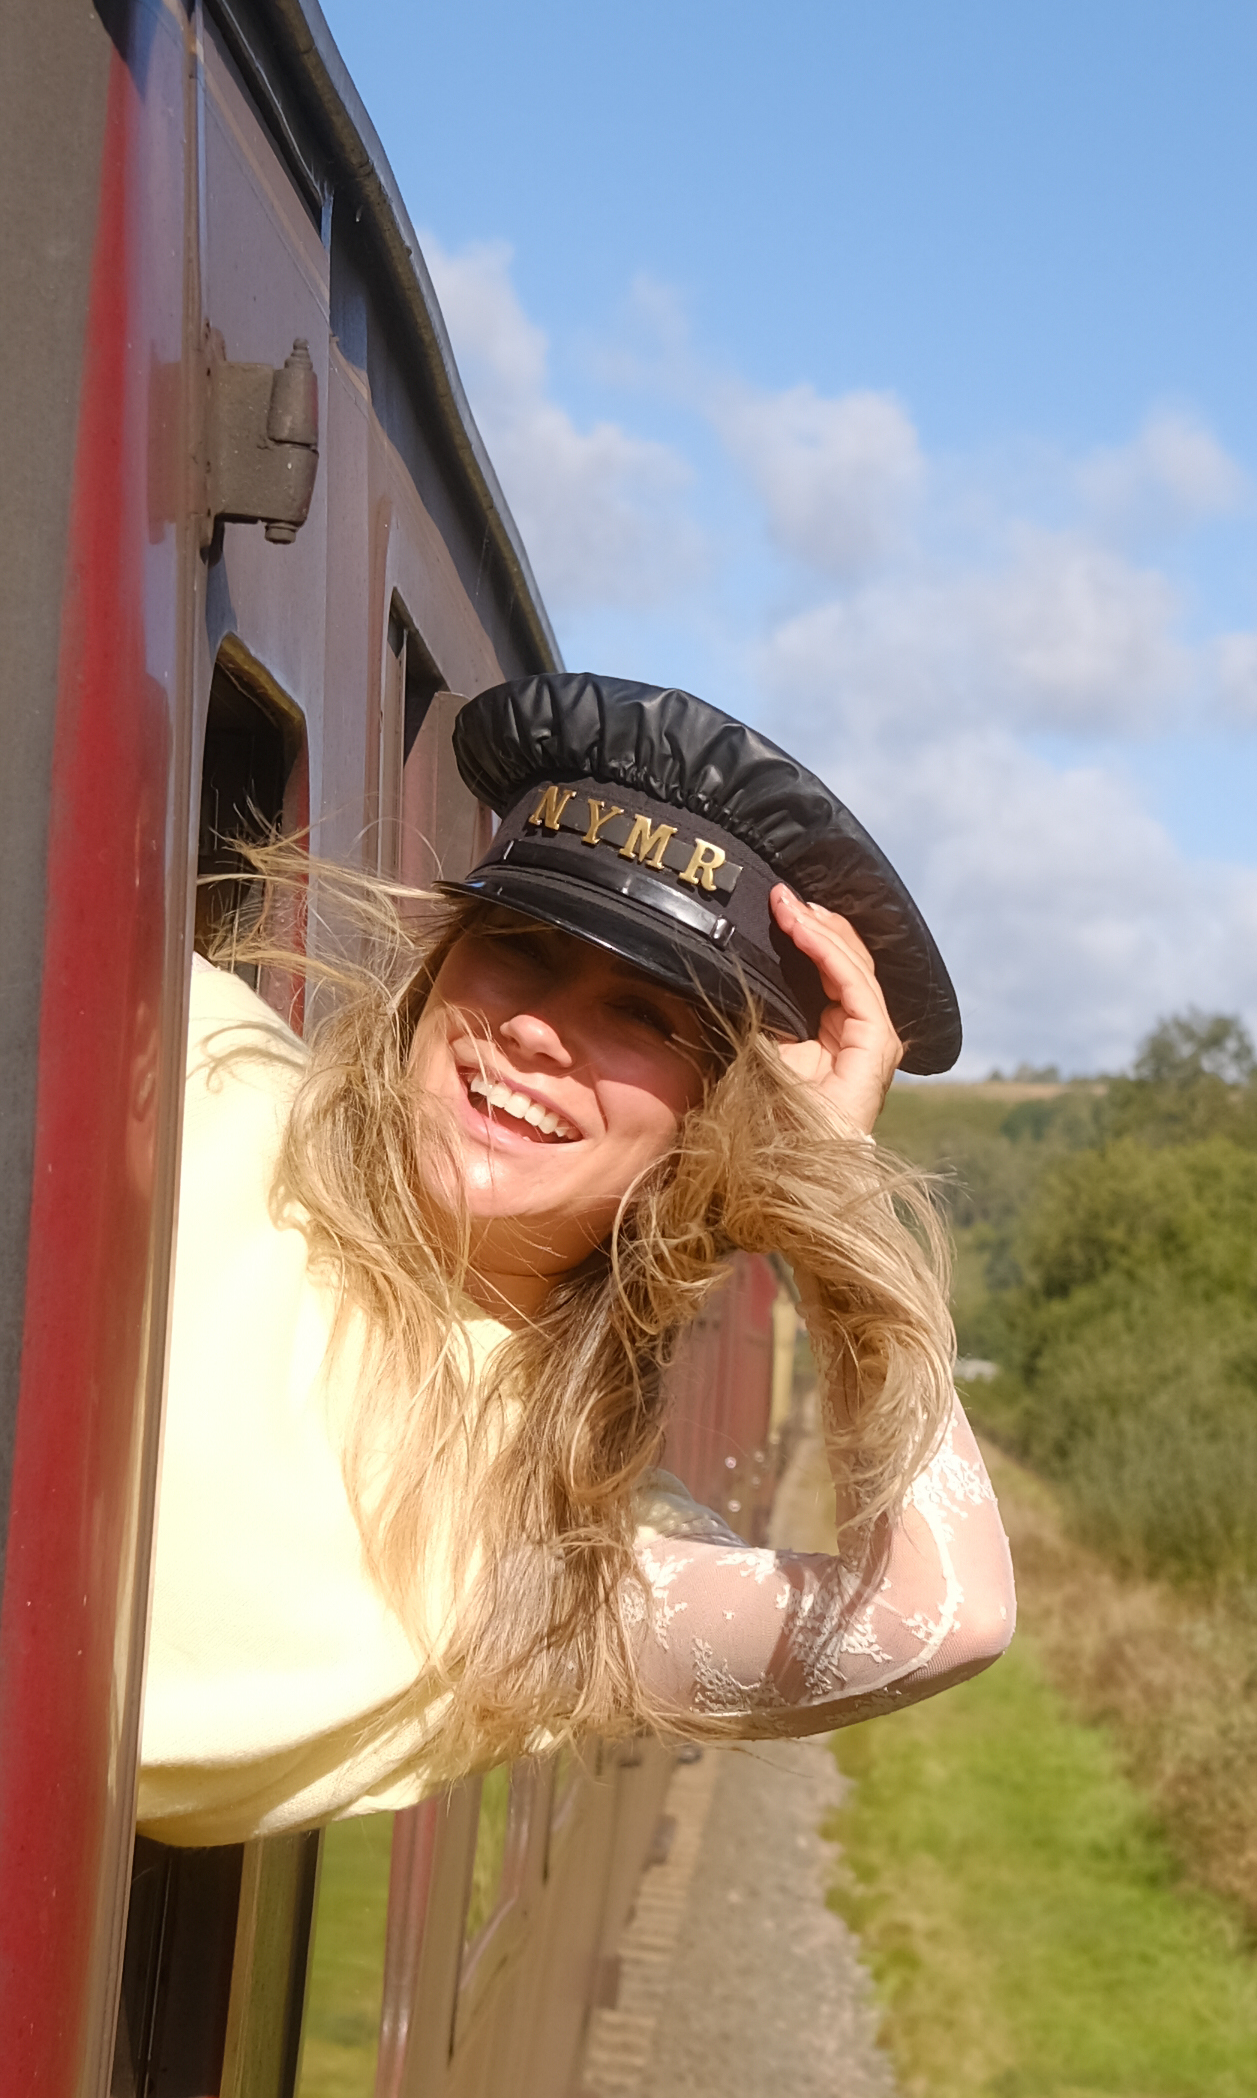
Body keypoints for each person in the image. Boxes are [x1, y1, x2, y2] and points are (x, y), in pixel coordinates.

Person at [135, 677, 1016, 1847]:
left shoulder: (553, 1565)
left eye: (648, 1019)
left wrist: (831, 1190)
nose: (541, 1031)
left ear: (713, 1130)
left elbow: (934, 1617)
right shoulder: (198, 1061)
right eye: (517, 947)